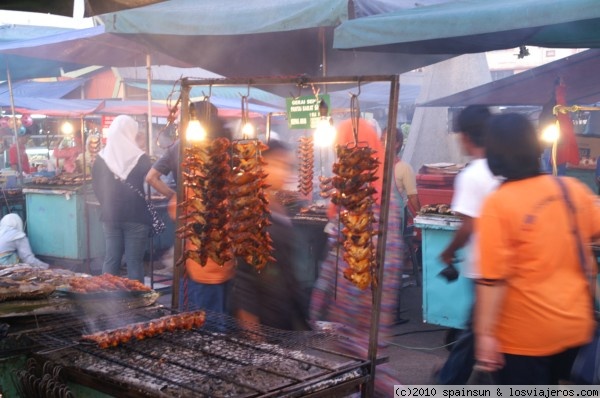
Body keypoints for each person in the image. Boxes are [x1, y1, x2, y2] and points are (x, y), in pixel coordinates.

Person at [474, 112, 599, 384]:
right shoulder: (570, 189)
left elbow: (492, 281)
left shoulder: (499, 204)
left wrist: (485, 335)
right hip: (573, 326)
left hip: (524, 337)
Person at [310, 117, 402, 395]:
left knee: (366, 360)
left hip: (358, 294)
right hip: (375, 291)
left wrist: (318, 300)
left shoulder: (363, 202)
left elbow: (340, 255)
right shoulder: (383, 195)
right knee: (364, 360)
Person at [435, 105, 500, 384]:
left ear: (464, 136)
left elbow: (469, 224)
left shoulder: (472, 175)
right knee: (484, 328)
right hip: (508, 265)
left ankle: (449, 381)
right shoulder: (506, 166)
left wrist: (449, 252)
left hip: (486, 267)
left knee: (477, 329)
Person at [232, 139, 310, 331]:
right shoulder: (250, 211)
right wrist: (249, 321)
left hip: (284, 312)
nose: (284, 172)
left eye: (287, 166)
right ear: (260, 166)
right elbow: (242, 272)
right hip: (263, 317)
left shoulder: (278, 205)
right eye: (278, 164)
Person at [176, 102, 236, 315]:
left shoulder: (197, 170)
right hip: (224, 264)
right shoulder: (228, 163)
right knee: (221, 326)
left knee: (206, 331)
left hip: (204, 269)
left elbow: (179, 210)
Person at [92, 115, 152, 283]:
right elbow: (149, 184)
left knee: (111, 260)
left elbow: (96, 187)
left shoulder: (100, 158)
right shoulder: (141, 157)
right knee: (134, 263)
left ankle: (105, 297)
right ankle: (138, 303)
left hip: (110, 215)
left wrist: (107, 204)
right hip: (137, 216)